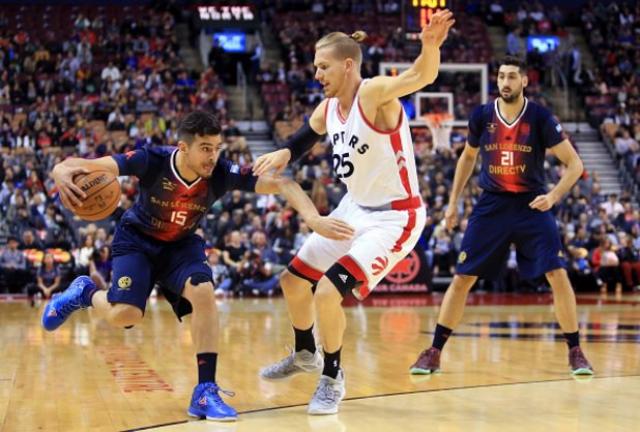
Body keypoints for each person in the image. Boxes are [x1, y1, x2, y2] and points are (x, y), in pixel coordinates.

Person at [41, 110, 354, 422]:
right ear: (183, 147)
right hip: (137, 241)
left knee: (204, 292)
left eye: (217, 148)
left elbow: (282, 183)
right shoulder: (151, 160)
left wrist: (313, 218)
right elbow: (84, 165)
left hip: (181, 245)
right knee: (126, 315)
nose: (213, 156)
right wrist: (58, 170)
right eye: (205, 148)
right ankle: (84, 293)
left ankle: (205, 391)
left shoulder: (222, 172)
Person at [252, 10, 455, 414]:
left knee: (329, 292)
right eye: (315, 67)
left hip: (394, 218)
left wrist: (430, 47)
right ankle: (305, 353)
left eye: (323, 67)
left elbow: (421, 76)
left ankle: (332, 377)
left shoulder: (372, 93)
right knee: (293, 281)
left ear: (348, 65)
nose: (316, 74)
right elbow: (306, 134)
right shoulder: (328, 109)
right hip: (354, 208)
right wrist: (284, 152)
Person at [409, 56, 594, 376]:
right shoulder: (482, 116)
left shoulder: (540, 117)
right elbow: (467, 158)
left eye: (511, 77)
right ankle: (434, 352)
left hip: (531, 204)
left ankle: (575, 351)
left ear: (524, 81)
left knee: (557, 273)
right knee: (462, 277)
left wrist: (553, 196)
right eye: (501, 76)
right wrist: (452, 203)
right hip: (491, 205)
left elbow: (575, 164)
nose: (505, 82)